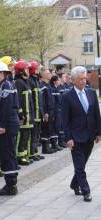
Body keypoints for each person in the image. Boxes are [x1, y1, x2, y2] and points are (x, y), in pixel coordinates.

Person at [62, 66, 101, 202]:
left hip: (90, 135)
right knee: (79, 166)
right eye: (80, 79)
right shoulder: (67, 96)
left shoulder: (91, 93)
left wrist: (99, 132)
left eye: (85, 78)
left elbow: (97, 114)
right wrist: (68, 138)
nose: (84, 81)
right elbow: (65, 120)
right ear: (73, 80)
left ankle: (74, 184)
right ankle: (86, 191)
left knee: (82, 164)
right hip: (76, 137)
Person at [0, 61, 20, 196]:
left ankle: (10, 186)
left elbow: (6, 107)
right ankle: (11, 183)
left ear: (1, 73)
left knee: (7, 155)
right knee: (9, 154)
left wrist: (2, 125)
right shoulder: (4, 85)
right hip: (9, 123)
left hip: (7, 125)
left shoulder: (5, 85)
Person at [14, 60, 34, 165]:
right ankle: (20, 157)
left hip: (29, 115)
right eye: (26, 69)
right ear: (21, 71)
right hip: (24, 116)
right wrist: (21, 114)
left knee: (26, 137)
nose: (28, 71)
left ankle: (24, 155)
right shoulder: (18, 82)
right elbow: (18, 100)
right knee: (22, 137)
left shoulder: (26, 82)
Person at [40, 69, 62, 153]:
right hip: (47, 112)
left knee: (50, 128)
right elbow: (42, 101)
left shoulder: (48, 85)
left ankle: (49, 146)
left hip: (51, 111)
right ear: (43, 75)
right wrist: (45, 112)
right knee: (45, 129)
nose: (50, 75)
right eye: (48, 73)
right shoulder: (42, 86)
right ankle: (45, 148)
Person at [28, 61, 45, 161]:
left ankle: (34, 152)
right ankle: (31, 153)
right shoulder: (30, 81)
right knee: (33, 135)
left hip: (38, 113)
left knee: (36, 135)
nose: (39, 70)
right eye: (38, 68)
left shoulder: (35, 81)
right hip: (34, 113)